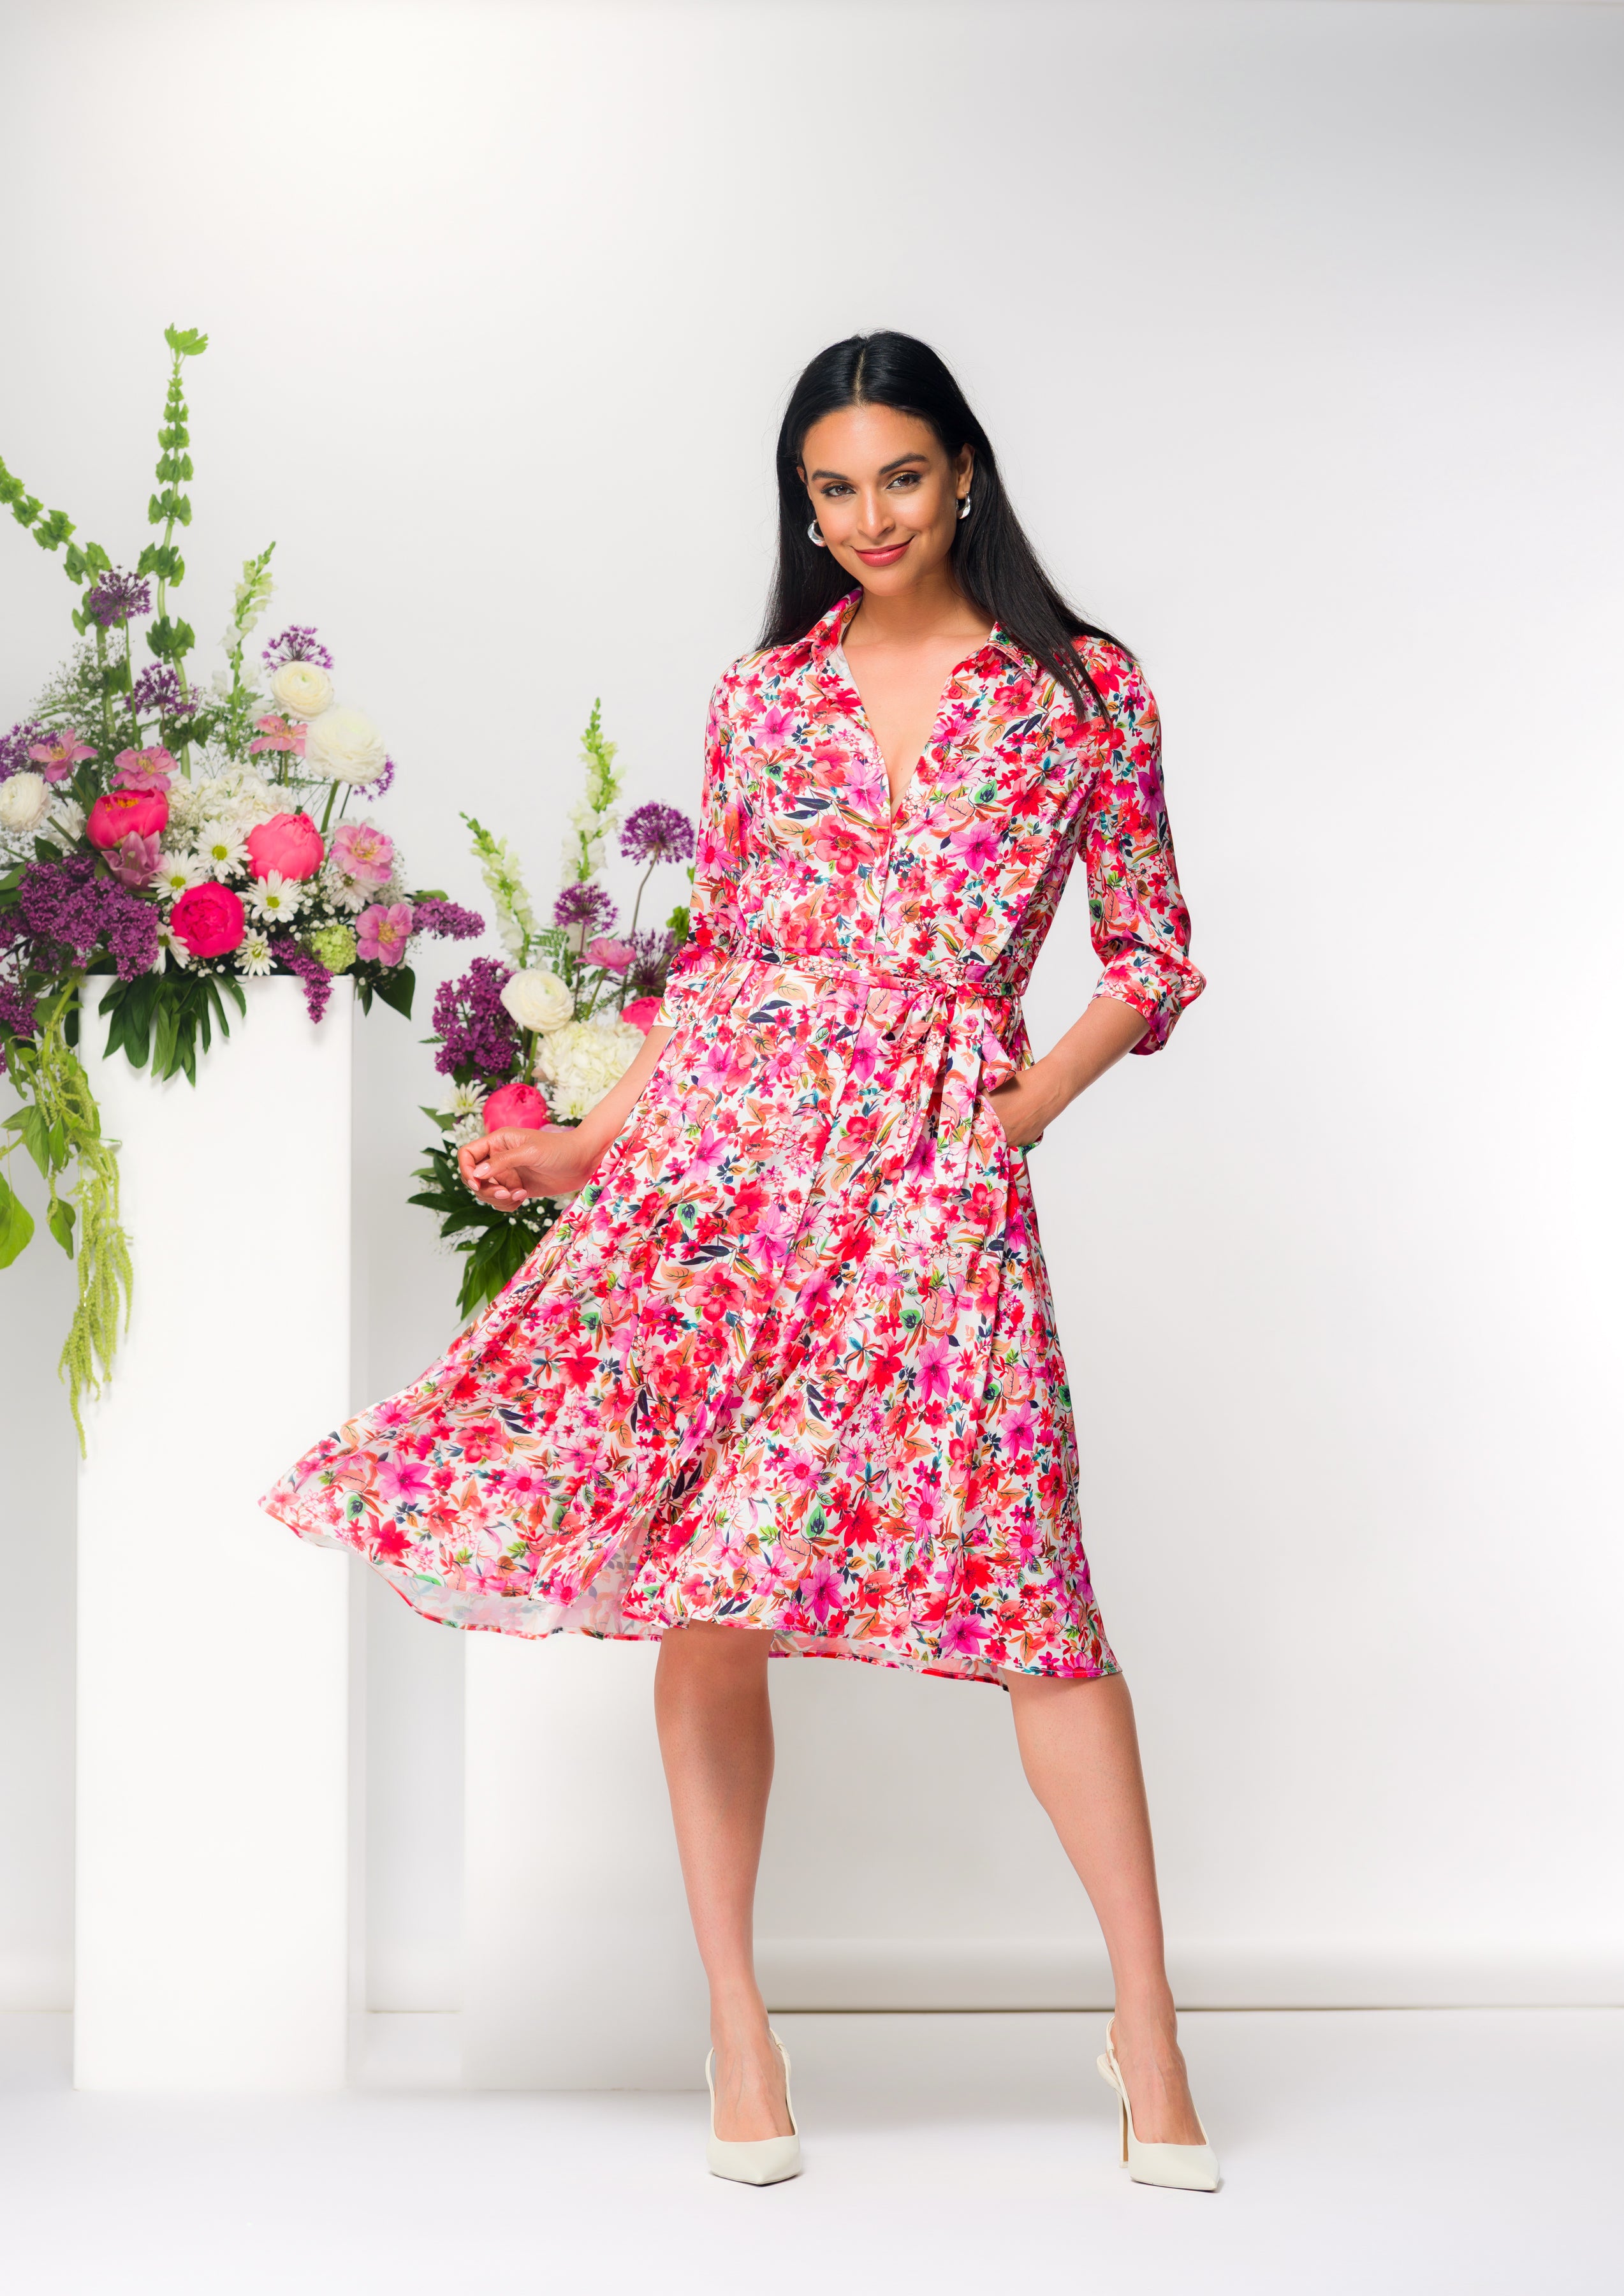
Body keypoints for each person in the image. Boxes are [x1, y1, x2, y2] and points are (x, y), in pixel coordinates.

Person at [262, 331, 1213, 2191]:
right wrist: (586, 1144)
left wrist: (1010, 1120)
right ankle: (736, 2019)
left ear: (965, 478)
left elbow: (1155, 951)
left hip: (930, 1170)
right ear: (810, 504)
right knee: (711, 1578)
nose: (868, 519)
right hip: (735, 1167)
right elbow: (719, 983)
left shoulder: (1077, 689)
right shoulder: (758, 700)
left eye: (901, 480)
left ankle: (1150, 2028)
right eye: (832, 490)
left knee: (1031, 1590)